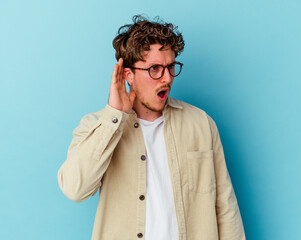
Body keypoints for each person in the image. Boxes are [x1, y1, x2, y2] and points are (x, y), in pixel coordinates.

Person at [58, 15, 245, 240]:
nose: (166, 78)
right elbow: (75, 189)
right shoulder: (96, 126)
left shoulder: (201, 124)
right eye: (155, 68)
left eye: (170, 67)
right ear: (129, 75)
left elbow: (225, 207)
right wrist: (114, 117)